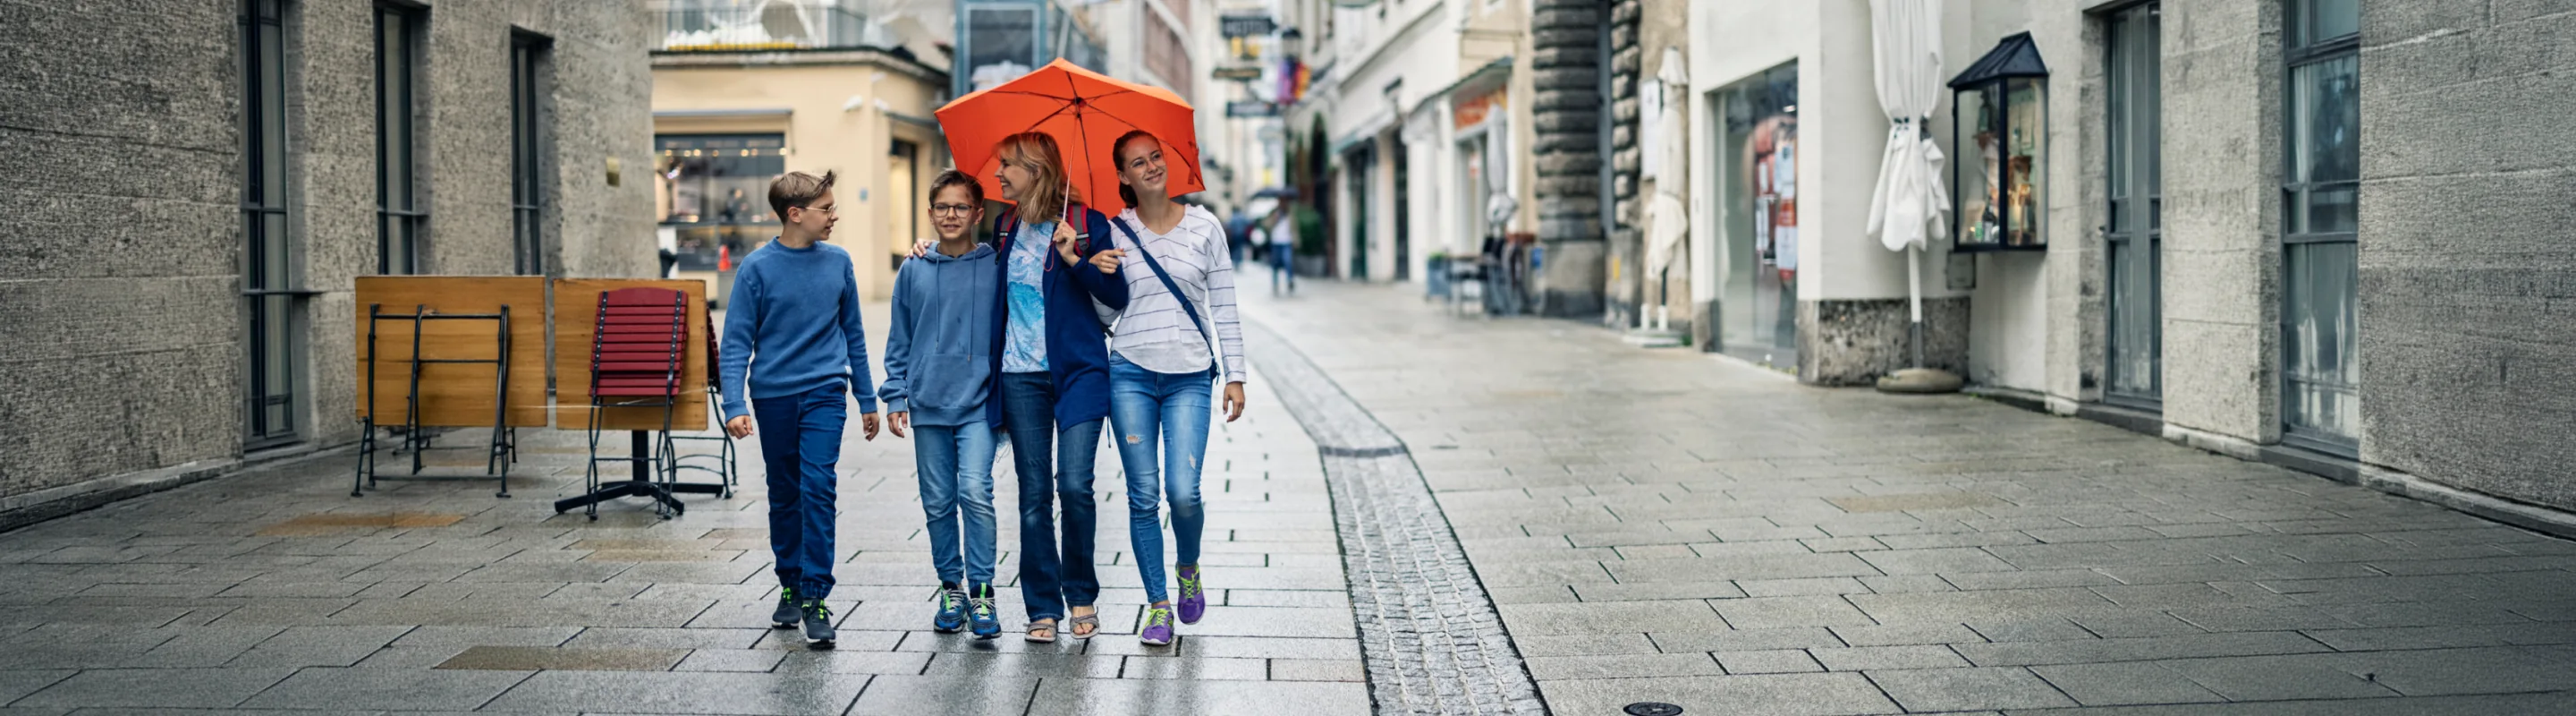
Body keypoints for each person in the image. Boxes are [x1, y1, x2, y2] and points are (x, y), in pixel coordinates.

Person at [969, 132, 1130, 644]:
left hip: (1080, 371)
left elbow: (1116, 294)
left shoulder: (1086, 224)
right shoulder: (1004, 226)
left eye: (1007, 165)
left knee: (1075, 486)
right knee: (1035, 496)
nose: (998, 174)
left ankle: (1080, 593)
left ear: (1036, 169)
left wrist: (1075, 257)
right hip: (1020, 376)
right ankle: (1042, 606)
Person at [716, 170, 881, 650]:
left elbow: (853, 333)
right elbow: (736, 343)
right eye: (826, 209)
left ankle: (815, 594)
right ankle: (789, 579)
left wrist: (866, 399)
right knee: (784, 491)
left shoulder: (839, 262)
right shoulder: (757, 268)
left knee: (818, 486)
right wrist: (733, 403)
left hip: (826, 392)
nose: (834, 216)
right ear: (795, 214)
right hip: (773, 396)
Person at [1102, 131, 1248, 647]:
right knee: (1143, 497)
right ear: (1122, 176)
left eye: (1156, 157)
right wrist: (1088, 268)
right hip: (1130, 374)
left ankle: (1188, 567)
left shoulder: (1206, 227)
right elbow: (1104, 310)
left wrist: (1235, 374)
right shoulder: (1112, 231)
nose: (1151, 167)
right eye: (1137, 163)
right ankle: (1158, 605)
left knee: (1183, 494)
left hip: (1189, 374)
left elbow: (1224, 306)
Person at [878, 170, 1006, 639]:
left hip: (977, 403)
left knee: (975, 492)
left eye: (960, 207)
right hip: (928, 401)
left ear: (977, 214)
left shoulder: (996, 266)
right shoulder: (913, 268)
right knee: (937, 502)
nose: (951, 215)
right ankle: (950, 587)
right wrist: (895, 392)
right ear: (930, 213)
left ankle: (984, 592)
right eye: (942, 207)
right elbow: (900, 337)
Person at [1267, 206, 1297, 294]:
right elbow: (1266, 225)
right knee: (1275, 265)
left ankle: (1290, 280)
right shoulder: (1273, 215)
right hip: (1276, 243)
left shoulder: (1290, 216)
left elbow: (1295, 229)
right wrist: (1274, 219)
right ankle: (1275, 284)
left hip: (1287, 242)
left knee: (1288, 261)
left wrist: (1296, 241)